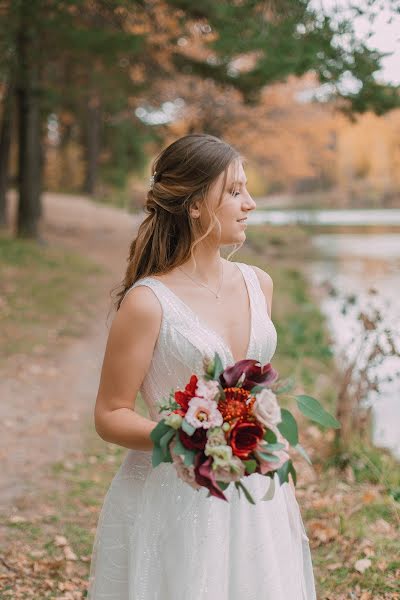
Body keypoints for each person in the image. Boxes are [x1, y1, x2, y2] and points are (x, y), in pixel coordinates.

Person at [87, 133, 317, 599]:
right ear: (194, 205)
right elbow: (110, 414)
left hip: (252, 487)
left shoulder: (260, 284)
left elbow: (252, 389)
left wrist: (256, 434)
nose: (250, 203)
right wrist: (188, 436)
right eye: (234, 191)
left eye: (247, 189)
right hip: (173, 492)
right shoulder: (149, 303)